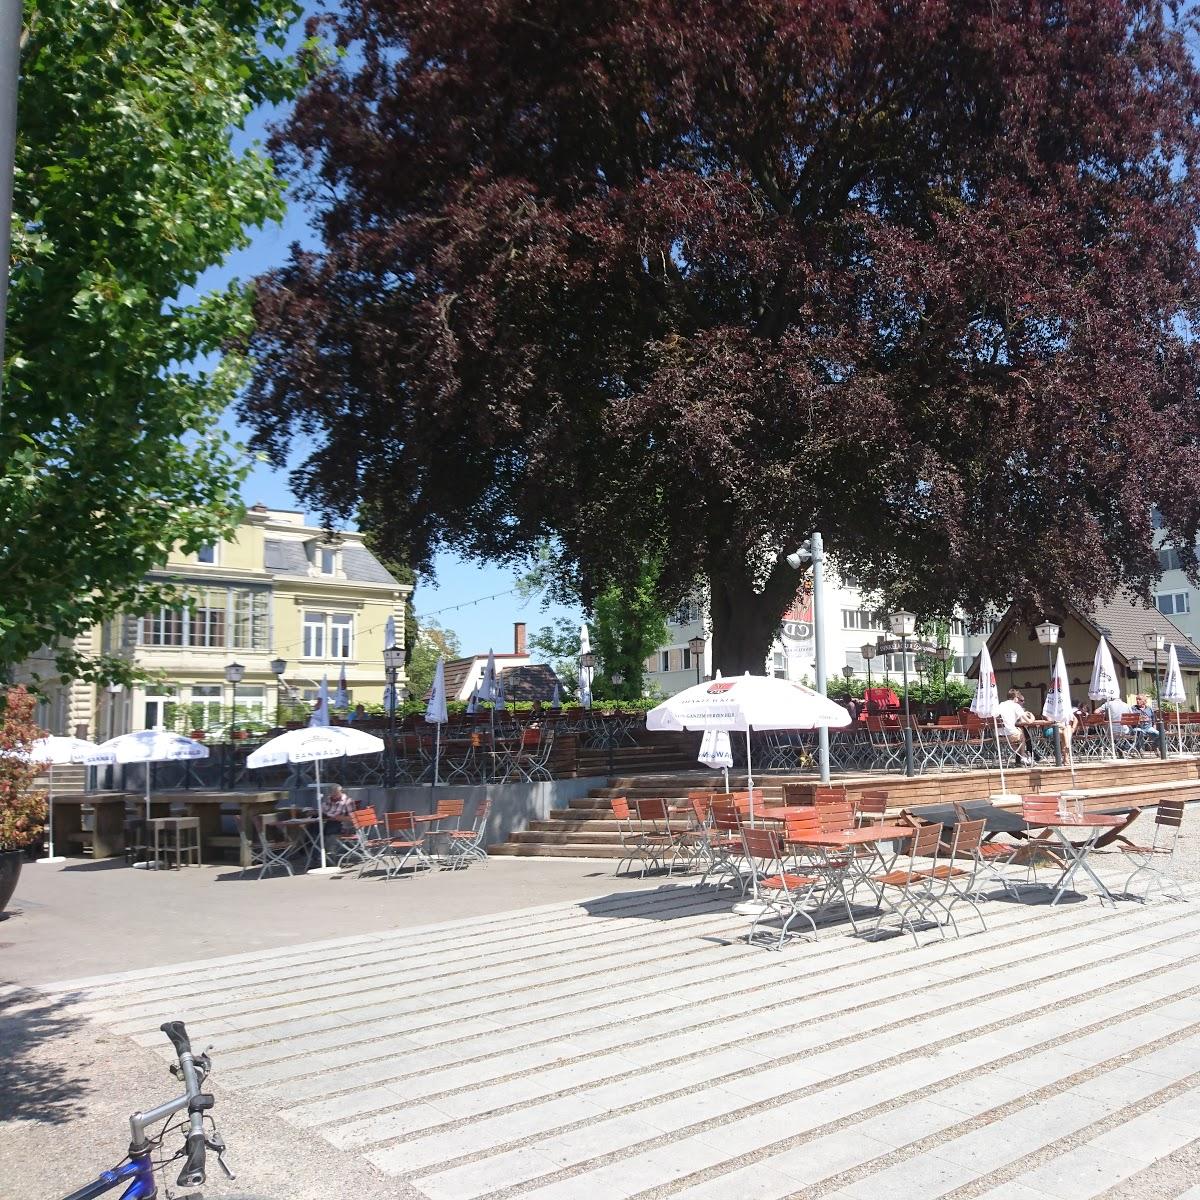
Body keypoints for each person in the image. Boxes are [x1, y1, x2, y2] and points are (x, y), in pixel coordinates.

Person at [996, 688, 1036, 766]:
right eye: (1018, 698)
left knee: (1013, 738)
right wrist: (1032, 716)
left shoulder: (1001, 704)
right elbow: (1029, 721)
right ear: (1015, 698)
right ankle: (1023, 756)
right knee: (1022, 735)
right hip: (1010, 735)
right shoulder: (1016, 706)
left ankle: (1020, 757)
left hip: (998, 735)